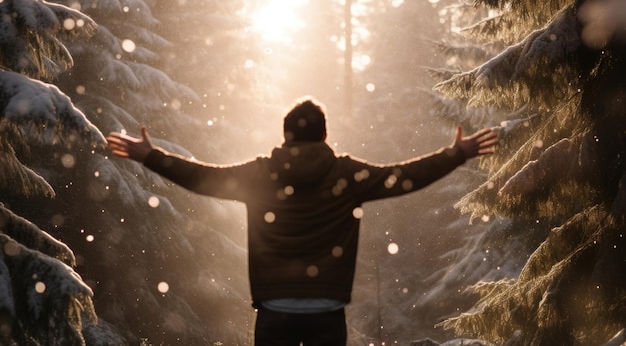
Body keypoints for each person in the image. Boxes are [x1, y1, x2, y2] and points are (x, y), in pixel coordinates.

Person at [106, 97, 498, 346]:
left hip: (274, 311)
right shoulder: (347, 175)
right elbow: (404, 177)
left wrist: (149, 156)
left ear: (286, 135)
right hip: (327, 312)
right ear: (325, 135)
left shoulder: (260, 174)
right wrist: (457, 154)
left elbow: (202, 178)